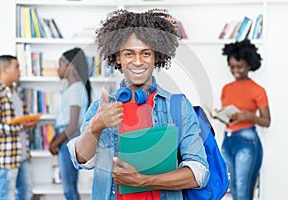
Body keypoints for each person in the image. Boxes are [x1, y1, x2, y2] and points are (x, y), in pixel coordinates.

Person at [67, 9, 210, 199]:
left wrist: (143, 180)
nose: (137, 62)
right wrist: (97, 125)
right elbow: (82, 161)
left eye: (145, 53)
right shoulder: (101, 108)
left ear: (156, 57)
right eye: (128, 54)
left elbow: (199, 173)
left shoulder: (178, 106)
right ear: (118, 57)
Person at [220, 39, 271, 200]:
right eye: (232, 67)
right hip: (227, 141)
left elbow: (267, 121)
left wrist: (249, 116)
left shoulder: (257, 90)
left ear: (249, 65)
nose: (236, 71)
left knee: (243, 193)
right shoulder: (226, 89)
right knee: (232, 190)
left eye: (240, 66)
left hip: (247, 142)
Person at [0, 55, 38, 200]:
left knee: (26, 194)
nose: (19, 71)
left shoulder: (17, 92)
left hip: (22, 154)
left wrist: (29, 123)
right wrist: (20, 127)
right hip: (6, 157)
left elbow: (22, 119)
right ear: (4, 69)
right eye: (16, 67)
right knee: (6, 196)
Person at [49, 47, 91, 200]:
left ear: (71, 66)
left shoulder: (76, 89)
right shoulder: (72, 88)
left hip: (68, 140)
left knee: (69, 190)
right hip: (65, 139)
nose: (58, 69)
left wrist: (55, 143)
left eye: (60, 65)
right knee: (69, 188)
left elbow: (73, 125)